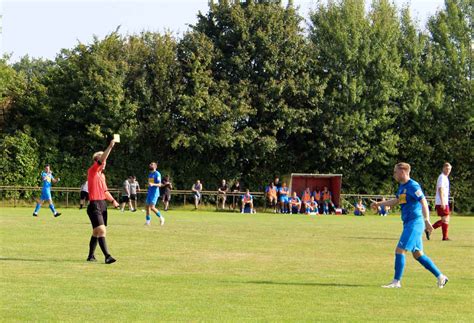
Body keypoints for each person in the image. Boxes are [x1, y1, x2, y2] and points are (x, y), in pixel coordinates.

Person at [371, 162, 448, 288]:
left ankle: (396, 282)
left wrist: (427, 220)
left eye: (395, 172)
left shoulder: (413, 185)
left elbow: (423, 201)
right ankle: (441, 277)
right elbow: (396, 200)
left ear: (402, 172)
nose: (394, 174)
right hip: (408, 223)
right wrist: (379, 204)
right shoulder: (402, 186)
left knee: (400, 250)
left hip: (415, 223)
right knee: (418, 255)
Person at [86, 139, 117, 264]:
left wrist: (113, 201)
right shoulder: (92, 171)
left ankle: (90, 256)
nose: (104, 162)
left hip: (103, 204)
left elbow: (105, 191)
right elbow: (102, 158)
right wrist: (110, 146)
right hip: (94, 205)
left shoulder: (102, 176)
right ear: (96, 161)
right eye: (102, 160)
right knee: (102, 231)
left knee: (96, 232)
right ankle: (107, 256)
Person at [430, 162, 452, 241]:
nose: (448, 170)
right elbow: (440, 189)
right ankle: (443, 236)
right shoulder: (442, 177)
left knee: (446, 219)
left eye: (449, 169)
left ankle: (431, 230)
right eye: (447, 168)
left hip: (444, 201)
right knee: (445, 219)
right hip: (441, 202)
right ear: (443, 168)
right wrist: (442, 201)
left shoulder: (445, 177)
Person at [145, 162, 164, 226]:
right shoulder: (150, 174)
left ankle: (161, 218)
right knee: (147, 207)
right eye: (150, 164)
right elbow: (150, 184)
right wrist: (149, 184)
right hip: (150, 192)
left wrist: (153, 184)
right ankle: (148, 222)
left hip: (154, 193)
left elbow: (159, 184)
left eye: (152, 164)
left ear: (155, 166)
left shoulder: (157, 174)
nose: (150, 165)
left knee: (152, 207)